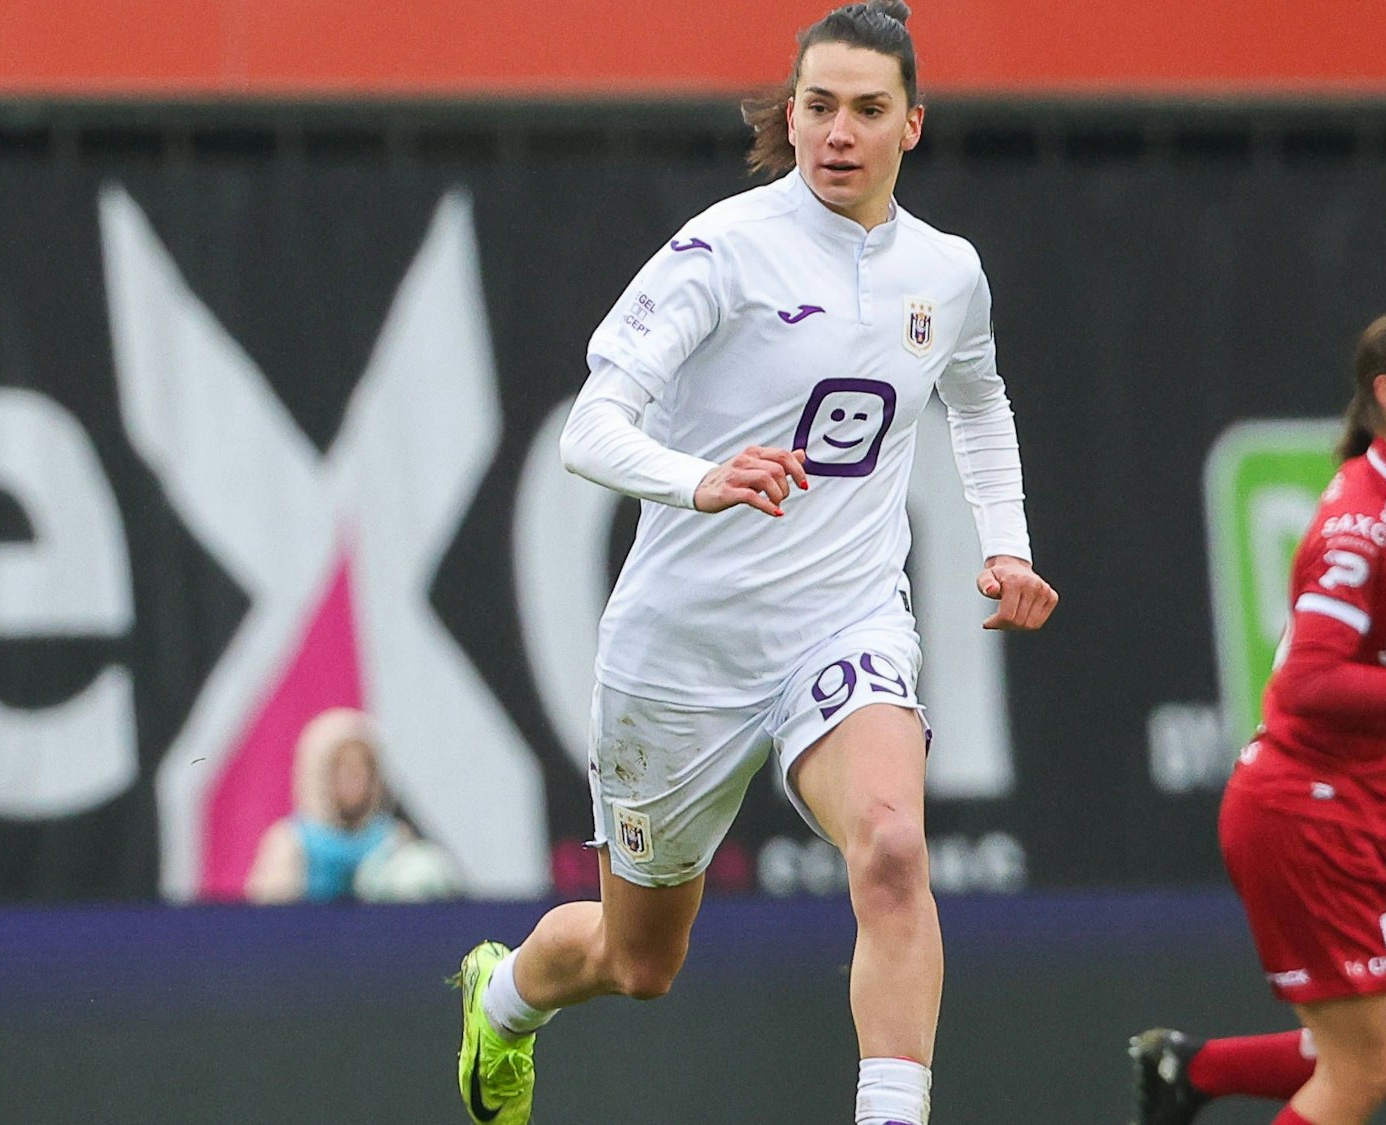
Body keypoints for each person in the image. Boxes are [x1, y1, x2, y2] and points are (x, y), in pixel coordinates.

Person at [453, 4, 1058, 1123]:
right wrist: (701, 478)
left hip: (842, 622)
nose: (837, 132)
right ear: (791, 114)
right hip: (683, 647)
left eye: (865, 111)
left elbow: (978, 401)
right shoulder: (722, 248)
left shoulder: (947, 273)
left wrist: (1005, 546)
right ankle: (505, 998)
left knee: (889, 849)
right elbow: (591, 429)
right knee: (639, 963)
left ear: (910, 125)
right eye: (817, 107)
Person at [1129, 310, 1386, 1125]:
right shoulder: (1362, 520)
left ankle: (1194, 1068)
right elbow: (1306, 685)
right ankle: (1195, 1071)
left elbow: (1382, 669)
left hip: (1360, 817)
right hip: (1304, 816)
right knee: (1358, 1071)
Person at [246, 707, 456, 904]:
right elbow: (269, 924)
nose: (354, 779)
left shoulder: (392, 842)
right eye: (343, 769)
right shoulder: (291, 843)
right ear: (319, 775)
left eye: (362, 768)